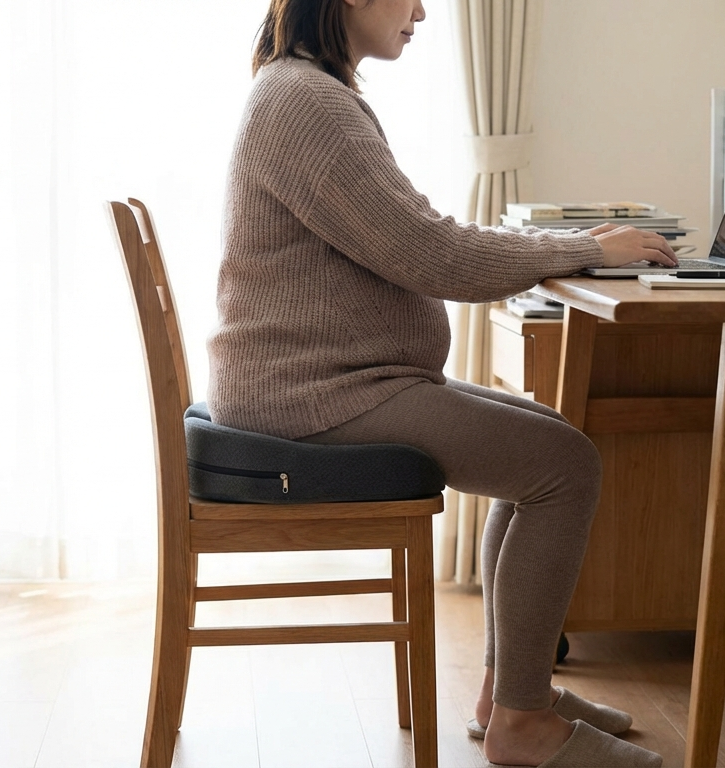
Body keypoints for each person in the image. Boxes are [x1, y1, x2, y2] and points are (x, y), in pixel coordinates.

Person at [206, 1, 674, 766]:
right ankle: (524, 727)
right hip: (317, 394)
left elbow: (419, 244)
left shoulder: (308, 92)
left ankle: (510, 696)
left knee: (548, 445)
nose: (423, 10)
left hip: (327, 380)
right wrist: (580, 250)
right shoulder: (307, 104)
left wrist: (576, 248)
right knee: (565, 467)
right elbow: (433, 257)